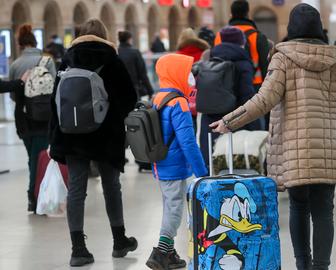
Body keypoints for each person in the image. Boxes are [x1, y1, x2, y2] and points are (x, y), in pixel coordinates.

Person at [210, 4, 336, 269]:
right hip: (327, 150)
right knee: (323, 211)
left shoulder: (282, 57)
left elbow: (263, 100)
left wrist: (229, 121)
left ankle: (302, 264)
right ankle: (321, 266)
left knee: (298, 207)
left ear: (291, 27)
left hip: (294, 150)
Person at [49, 19, 138, 267]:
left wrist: (55, 136)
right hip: (105, 136)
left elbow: (54, 103)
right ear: (103, 35)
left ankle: (78, 249)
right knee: (111, 186)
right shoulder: (111, 58)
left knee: (77, 190)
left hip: (71, 135)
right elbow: (128, 98)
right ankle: (120, 240)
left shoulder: (67, 59)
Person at [145, 53, 208, 270]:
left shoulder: (159, 97)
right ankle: (161, 252)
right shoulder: (179, 102)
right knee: (174, 207)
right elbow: (188, 142)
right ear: (175, 73)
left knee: (168, 204)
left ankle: (170, 254)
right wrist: (202, 172)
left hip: (160, 163)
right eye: (186, 72)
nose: (190, 76)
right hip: (174, 165)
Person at [9, 24, 56, 212]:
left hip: (23, 118)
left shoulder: (15, 65)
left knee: (32, 158)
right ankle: (35, 196)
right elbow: (54, 90)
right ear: (35, 42)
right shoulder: (47, 61)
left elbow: (13, 94)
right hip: (43, 117)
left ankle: (35, 195)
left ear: (20, 44)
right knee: (40, 157)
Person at [199, 26, 262, 164]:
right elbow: (247, 96)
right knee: (234, 163)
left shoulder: (209, 57)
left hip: (209, 118)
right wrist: (255, 125)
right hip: (235, 119)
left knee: (211, 160)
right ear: (241, 42)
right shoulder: (243, 61)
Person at [215, 0, 269, 91]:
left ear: (231, 14)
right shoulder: (257, 36)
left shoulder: (219, 36)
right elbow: (265, 65)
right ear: (247, 14)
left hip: (226, 85)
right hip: (253, 85)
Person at [118, 30, 154, 100]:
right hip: (133, 89)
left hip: (118, 89)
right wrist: (150, 91)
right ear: (129, 39)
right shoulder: (135, 52)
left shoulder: (115, 52)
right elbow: (142, 74)